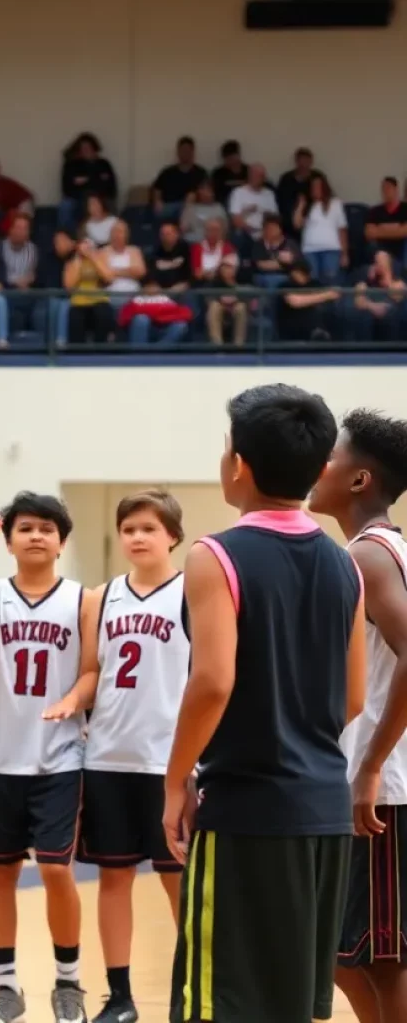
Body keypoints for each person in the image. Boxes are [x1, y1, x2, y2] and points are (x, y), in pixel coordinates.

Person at [164, 383, 367, 1023]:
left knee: (216, 1005)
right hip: (325, 814)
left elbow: (213, 681)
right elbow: (353, 698)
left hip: (248, 811)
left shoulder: (214, 553)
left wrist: (175, 783)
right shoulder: (344, 565)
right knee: (290, 1008)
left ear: (238, 465)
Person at [0, 494, 98, 1023]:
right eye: (26, 528)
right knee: (0, 875)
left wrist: (72, 700)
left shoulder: (82, 598)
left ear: (62, 541)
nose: (36, 536)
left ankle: (68, 982)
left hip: (59, 759)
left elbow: (90, 671)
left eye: (47, 529)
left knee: (57, 870)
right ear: (10, 539)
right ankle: (7, 989)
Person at [59, 491, 188, 1023]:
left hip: (169, 765)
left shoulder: (192, 592)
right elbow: (92, 671)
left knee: (179, 882)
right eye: (129, 528)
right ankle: (121, 996)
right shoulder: (102, 596)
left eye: (148, 529)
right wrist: (70, 700)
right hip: (108, 759)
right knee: (113, 880)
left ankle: (191, 992)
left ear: (172, 536)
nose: (137, 537)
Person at [308, 409, 407, 1023]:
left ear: (359, 480)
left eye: (330, 457)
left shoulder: (371, 555)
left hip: (385, 789)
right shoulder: (372, 550)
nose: (318, 467)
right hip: (366, 783)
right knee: (348, 956)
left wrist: (369, 766)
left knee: (380, 959)